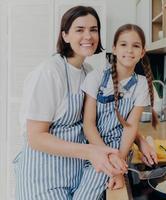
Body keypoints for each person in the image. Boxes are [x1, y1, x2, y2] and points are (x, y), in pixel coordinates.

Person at [14, 6, 155, 200]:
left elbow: (108, 117)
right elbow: (35, 137)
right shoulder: (49, 73)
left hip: (76, 170)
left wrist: (140, 141)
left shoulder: (88, 72)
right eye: (79, 30)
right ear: (65, 35)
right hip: (43, 175)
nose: (88, 36)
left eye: (93, 29)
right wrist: (92, 152)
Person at [73, 24, 158, 199]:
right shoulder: (95, 77)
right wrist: (109, 158)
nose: (129, 50)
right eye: (123, 44)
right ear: (114, 49)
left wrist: (117, 165)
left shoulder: (141, 84)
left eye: (136, 46)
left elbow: (130, 127)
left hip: (121, 150)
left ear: (142, 52)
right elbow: (88, 124)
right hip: (94, 147)